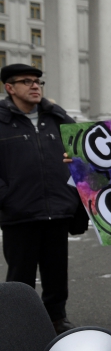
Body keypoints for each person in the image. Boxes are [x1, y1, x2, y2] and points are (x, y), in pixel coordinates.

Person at [0, 64, 81, 334]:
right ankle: (19, 326)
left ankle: (57, 320)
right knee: (20, 278)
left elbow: (84, 156)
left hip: (57, 210)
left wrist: (71, 193)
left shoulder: (57, 119)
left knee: (56, 275)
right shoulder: (1, 121)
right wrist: (7, 197)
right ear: (9, 88)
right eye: (27, 81)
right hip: (19, 213)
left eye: (38, 81)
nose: (35, 86)